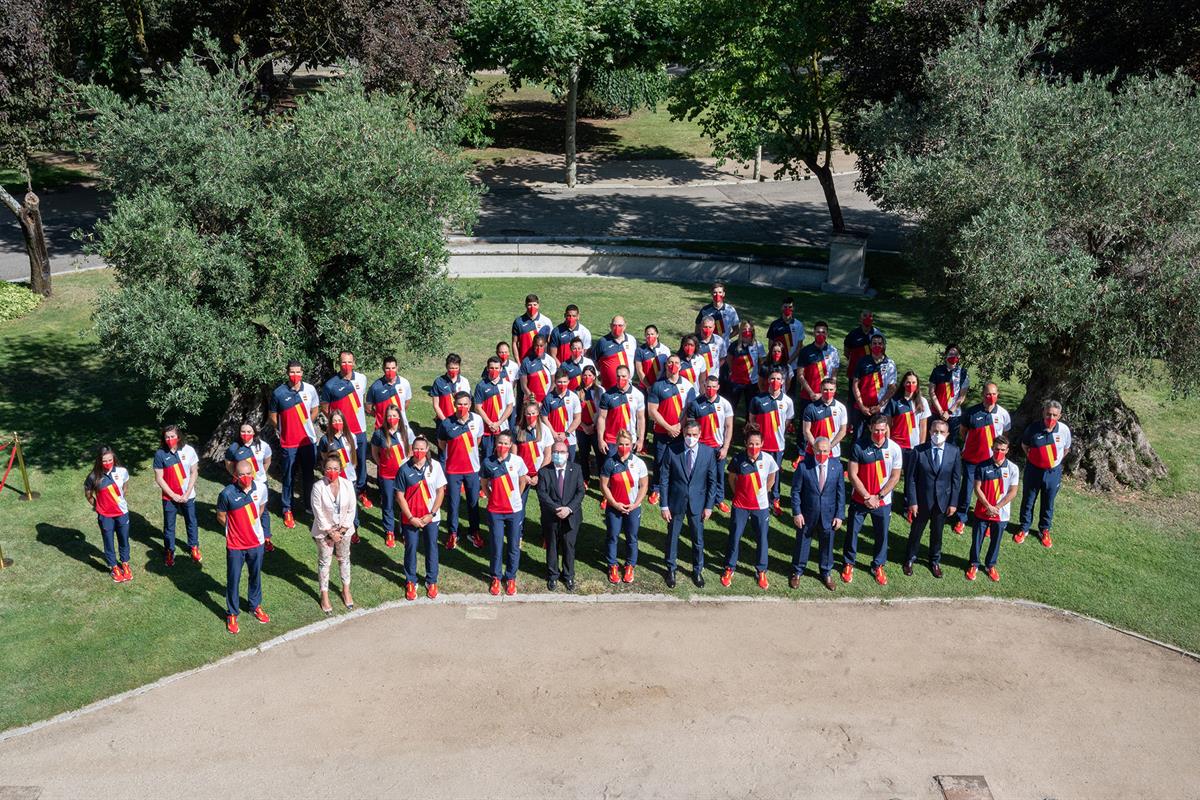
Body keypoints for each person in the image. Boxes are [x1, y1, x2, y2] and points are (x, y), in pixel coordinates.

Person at [844, 414, 904, 586]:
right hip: (859, 499)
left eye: (883, 430)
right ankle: (849, 563)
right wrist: (866, 496)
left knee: (881, 535)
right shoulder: (858, 446)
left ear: (887, 429)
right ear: (870, 428)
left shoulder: (894, 449)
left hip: (882, 502)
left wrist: (878, 496)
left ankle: (877, 565)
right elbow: (853, 474)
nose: (879, 433)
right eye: (876, 430)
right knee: (852, 532)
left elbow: (895, 477)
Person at [658, 419, 718, 588]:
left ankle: (697, 570)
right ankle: (671, 569)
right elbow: (664, 479)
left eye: (694, 435)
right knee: (672, 537)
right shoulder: (672, 450)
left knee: (697, 539)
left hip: (698, 504)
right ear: (683, 434)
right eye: (687, 434)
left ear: (700, 435)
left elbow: (713, 482)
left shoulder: (708, 453)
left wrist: (708, 506)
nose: (690, 438)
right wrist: (664, 505)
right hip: (676, 502)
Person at [720, 425, 779, 590]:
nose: (754, 447)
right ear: (746, 443)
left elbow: (772, 477)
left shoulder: (768, 460)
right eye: (751, 444)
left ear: (762, 443)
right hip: (740, 505)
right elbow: (732, 479)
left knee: (762, 538)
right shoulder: (738, 459)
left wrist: (763, 493)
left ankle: (761, 570)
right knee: (735, 536)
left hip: (760, 507)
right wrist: (738, 494)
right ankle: (729, 568)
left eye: (757, 444)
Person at [216, 460, 271, 634]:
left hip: (256, 542)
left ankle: (255, 606)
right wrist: (234, 530)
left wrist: (250, 525)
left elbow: (261, 508)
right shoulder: (226, 494)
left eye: (248, 474)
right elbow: (220, 515)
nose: (245, 478)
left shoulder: (261, 488)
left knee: (255, 576)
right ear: (235, 475)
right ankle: (232, 613)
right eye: (241, 475)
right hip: (235, 545)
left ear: (253, 473)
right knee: (233, 579)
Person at [902, 418, 961, 578]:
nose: (938, 435)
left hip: (943, 502)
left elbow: (956, 480)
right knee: (916, 531)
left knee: (937, 533)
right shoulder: (918, 451)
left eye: (942, 432)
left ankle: (934, 561)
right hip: (922, 501)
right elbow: (911, 478)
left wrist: (954, 503)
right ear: (929, 432)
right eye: (935, 431)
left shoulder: (954, 452)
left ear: (947, 434)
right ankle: (909, 559)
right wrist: (912, 501)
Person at [395, 435, 448, 600]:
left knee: (432, 548)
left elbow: (441, 492)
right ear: (412, 449)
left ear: (427, 450)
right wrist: (411, 518)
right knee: (410, 548)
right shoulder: (404, 469)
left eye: (422, 449)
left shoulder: (436, 467)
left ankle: (431, 580)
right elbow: (399, 496)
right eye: (416, 449)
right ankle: (411, 580)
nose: (418, 452)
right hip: (410, 519)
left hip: (431, 517)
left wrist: (431, 514)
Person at [955, 383, 1012, 533]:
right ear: (982, 395)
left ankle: (988, 519)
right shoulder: (972, 412)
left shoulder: (1003, 414)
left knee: (989, 492)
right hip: (971, 459)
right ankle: (961, 518)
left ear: (997, 395)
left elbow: (1005, 436)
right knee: (967, 489)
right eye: (988, 394)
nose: (991, 397)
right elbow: (963, 431)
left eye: (994, 394)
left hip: (991, 462)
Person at [789, 436, 844, 591]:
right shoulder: (803, 466)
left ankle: (826, 573)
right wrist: (797, 512)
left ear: (830, 451)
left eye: (825, 451)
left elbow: (841, 494)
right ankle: (797, 572)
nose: (822, 453)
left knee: (827, 545)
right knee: (802, 543)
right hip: (807, 514)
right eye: (819, 450)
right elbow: (795, 492)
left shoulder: (837, 467)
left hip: (828, 515)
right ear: (813, 450)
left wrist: (839, 515)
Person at [268, 360, 319, 529]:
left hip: (307, 441)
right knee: (288, 476)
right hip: (289, 442)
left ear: (302, 373)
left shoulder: (310, 389)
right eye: (292, 372)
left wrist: (306, 424)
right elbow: (273, 416)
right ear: (287, 373)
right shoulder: (278, 393)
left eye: (298, 372)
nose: (295, 375)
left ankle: (309, 505)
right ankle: (287, 508)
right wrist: (283, 430)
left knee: (308, 475)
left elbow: (315, 409)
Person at [480, 431, 530, 596]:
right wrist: (491, 496)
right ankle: (495, 577)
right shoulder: (488, 462)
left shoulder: (517, 461)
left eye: (506, 444)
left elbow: (523, 481)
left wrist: (516, 497)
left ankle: (511, 577)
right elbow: (484, 483)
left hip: (514, 511)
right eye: (499, 443)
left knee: (514, 545)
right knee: (496, 544)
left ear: (511, 445)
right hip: (495, 511)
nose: (502, 446)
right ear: (495, 443)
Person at [1017, 400, 1071, 548]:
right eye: (1048, 414)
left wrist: (1053, 462)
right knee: (1028, 500)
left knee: (1048, 503)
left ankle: (1044, 530)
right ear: (1043, 413)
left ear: (1059, 416)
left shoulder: (1064, 430)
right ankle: (1024, 528)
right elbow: (1025, 445)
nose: (1051, 417)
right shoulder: (1033, 428)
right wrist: (1036, 459)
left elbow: (1066, 449)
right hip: (1033, 470)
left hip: (1053, 472)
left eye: (1054, 415)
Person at [319, 350, 370, 506]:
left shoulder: (362, 379)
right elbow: (324, 407)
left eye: (349, 362)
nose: (346, 365)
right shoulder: (330, 385)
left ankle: (362, 491)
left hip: (359, 430)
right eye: (343, 362)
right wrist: (335, 423)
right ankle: (341, 492)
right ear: (338, 363)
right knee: (341, 462)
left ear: (354, 363)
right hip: (340, 433)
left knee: (361, 462)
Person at [437, 392, 486, 550]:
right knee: (453, 503)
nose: (462, 407)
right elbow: (442, 444)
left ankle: (474, 532)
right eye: (459, 404)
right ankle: (453, 533)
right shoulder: (446, 423)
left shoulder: (477, 420)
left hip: (472, 469)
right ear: (454, 404)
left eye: (465, 404)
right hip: (453, 470)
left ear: (470, 405)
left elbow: (478, 440)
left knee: (473, 502)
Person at [600, 429, 650, 584]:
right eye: (621, 444)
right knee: (612, 536)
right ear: (616, 444)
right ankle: (612, 565)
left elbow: (644, 486)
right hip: (614, 508)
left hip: (633, 508)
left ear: (632, 444)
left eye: (627, 444)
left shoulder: (639, 463)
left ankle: (630, 565)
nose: (624, 447)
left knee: (632, 537)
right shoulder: (609, 463)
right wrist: (614, 503)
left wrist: (635, 504)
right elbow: (604, 486)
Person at [646, 354, 696, 505]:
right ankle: (656, 489)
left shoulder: (688, 386)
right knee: (659, 461)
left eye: (676, 363)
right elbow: (652, 411)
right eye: (670, 362)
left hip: (680, 432)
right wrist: (668, 427)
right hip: (662, 432)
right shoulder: (657, 386)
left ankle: (674, 486)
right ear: (666, 365)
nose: (673, 365)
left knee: (678, 461)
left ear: (680, 366)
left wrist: (679, 426)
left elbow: (689, 409)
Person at [968, 436, 1020, 582]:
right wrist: (988, 506)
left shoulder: (1013, 468)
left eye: (1002, 450)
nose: (999, 452)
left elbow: (1013, 492)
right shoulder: (982, 466)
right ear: (992, 448)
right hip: (982, 511)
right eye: (997, 449)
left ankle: (990, 565)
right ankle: (974, 564)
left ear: (1007, 450)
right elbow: (977, 488)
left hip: (1001, 514)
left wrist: (997, 507)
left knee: (996, 541)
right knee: (977, 540)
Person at [364, 355, 413, 508]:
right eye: (387, 368)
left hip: (402, 429)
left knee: (403, 459)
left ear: (397, 368)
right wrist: (380, 418)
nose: (390, 371)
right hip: (382, 431)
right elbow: (368, 407)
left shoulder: (404, 383)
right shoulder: (376, 387)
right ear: (383, 369)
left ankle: (403, 492)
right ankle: (384, 494)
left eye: (393, 368)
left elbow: (406, 403)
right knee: (383, 460)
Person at [310, 454, 356, 615]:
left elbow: (351, 509)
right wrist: (330, 532)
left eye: (335, 469)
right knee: (325, 562)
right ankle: (324, 595)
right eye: (329, 468)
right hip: (324, 532)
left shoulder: (348, 485)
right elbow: (318, 512)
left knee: (344, 559)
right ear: (323, 469)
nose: (332, 472)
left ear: (341, 470)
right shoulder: (318, 487)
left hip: (344, 531)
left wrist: (342, 530)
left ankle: (346, 590)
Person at [536, 440, 585, 591]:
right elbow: (542, 494)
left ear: (567, 454)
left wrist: (568, 509)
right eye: (556, 452)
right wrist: (557, 508)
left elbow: (580, 492)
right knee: (552, 547)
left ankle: (568, 576)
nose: (558, 455)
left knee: (569, 546)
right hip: (551, 516)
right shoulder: (544, 471)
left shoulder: (576, 469)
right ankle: (553, 576)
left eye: (562, 452)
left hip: (571, 516)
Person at [748, 367, 794, 514]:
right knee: (759, 472)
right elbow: (752, 420)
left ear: (783, 382)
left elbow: (787, 420)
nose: (775, 382)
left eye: (778, 379)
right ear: (768, 380)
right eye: (772, 379)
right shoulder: (757, 399)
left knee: (775, 472)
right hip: (760, 445)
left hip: (778, 445)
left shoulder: (787, 401)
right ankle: (759, 498)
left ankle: (775, 499)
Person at [84, 446, 132, 584]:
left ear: (113, 458)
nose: (107, 463)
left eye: (110, 460)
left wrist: (120, 499)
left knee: (124, 539)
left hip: (122, 513)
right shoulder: (93, 476)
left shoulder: (122, 471)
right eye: (104, 461)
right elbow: (88, 494)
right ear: (99, 461)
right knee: (109, 541)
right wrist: (98, 506)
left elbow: (125, 486)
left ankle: (125, 564)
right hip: (105, 516)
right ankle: (114, 567)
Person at [223, 421, 272, 556]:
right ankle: (246, 530)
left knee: (263, 509)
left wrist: (260, 475)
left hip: (259, 482)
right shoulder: (234, 447)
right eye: (243, 431)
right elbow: (228, 463)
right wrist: (236, 475)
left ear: (254, 432)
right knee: (244, 508)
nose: (246, 434)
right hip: (243, 484)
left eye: (249, 431)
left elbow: (267, 461)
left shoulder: (263, 446)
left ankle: (266, 537)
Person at [153, 425, 199, 567]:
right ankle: (169, 551)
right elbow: (159, 478)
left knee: (191, 521)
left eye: (172, 436)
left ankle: (194, 547)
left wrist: (186, 493)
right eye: (167, 437)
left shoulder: (188, 450)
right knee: (169, 525)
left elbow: (194, 472)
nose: (170, 439)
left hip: (188, 495)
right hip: (169, 497)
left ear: (178, 436)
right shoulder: (160, 454)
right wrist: (173, 495)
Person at [687, 374, 734, 514]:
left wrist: (725, 447)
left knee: (719, 475)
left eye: (714, 387)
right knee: (699, 475)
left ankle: (719, 500)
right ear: (704, 386)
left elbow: (729, 426)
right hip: (700, 447)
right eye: (708, 386)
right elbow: (690, 426)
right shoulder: (695, 404)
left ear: (718, 387)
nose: (711, 389)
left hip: (718, 447)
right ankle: (698, 497)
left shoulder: (725, 404)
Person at [370, 405, 410, 549]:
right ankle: (390, 531)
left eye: (394, 416)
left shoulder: (405, 432)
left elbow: (410, 451)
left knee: (403, 504)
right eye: (389, 416)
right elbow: (374, 452)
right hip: (386, 475)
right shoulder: (379, 433)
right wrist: (381, 464)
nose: (391, 419)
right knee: (388, 504)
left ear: (399, 416)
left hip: (403, 476)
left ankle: (404, 531)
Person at [316, 410, 359, 541]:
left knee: (351, 505)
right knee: (335, 505)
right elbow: (325, 458)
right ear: (330, 423)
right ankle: (334, 530)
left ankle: (353, 529)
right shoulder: (325, 440)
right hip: (334, 479)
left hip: (350, 478)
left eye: (339, 421)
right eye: (334, 421)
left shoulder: (351, 436)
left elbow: (354, 456)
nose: (337, 423)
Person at [888, 371, 931, 489]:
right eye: (908, 382)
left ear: (917, 384)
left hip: (913, 446)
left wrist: (921, 446)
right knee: (891, 475)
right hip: (896, 445)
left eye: (913, 382)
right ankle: (886, 498)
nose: (911, 385)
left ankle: (909, 505)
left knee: (911, 477)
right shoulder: (894, 401)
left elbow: (923, 426)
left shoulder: (922, 402)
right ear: (903, 384)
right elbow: (888, 423)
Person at [596, 365, 647, 462]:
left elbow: (641, 419)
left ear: (629, 377)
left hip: (630, 439)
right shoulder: (607, 395)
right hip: (611, 440)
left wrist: (641, 440)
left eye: (623, 376)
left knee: (628, 471)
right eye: (618, 376)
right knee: (611, 469)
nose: (621, 379)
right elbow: (601, 418)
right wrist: (600, 440)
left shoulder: (638, 395)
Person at [851, 333, 898, 437]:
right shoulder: (862, 361)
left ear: (884, 346)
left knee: (879, 436)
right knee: (857, 437)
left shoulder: (890, 364)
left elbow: (892, 388)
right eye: (874, 343)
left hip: (880, 408)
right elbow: (855, 384)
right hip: (861, 408)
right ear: (870, 346)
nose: (877, 346)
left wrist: (879, 406)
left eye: (880, 344)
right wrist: (861, 405)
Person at [474, 356, 516, 462]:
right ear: (487, 369)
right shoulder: (481, 386)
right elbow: (478, 407)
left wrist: (498, 423)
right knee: (486, 458)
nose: (494, 370)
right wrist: (490, 423)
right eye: (491, 368)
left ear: (501, 369)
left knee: (502, 456)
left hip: (502, 428)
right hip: (486, 430)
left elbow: (510, 407)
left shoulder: (507, 385)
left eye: (497, 368)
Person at [515, 402, 555, 511]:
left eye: (533, 413)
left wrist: (538, 475)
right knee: (519, 503)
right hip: (523, 474)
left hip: (540, 472)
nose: (531, 416)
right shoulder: (518, 430)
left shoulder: (545, 430)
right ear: (524, 414)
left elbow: (547, 455)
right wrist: (524, 475)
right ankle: (518, 527)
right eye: (528, 413)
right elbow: (514, 456)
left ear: (538, 413)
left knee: (546, 504)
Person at [800, 378, 849, 465]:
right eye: (825, 389)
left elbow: (843, 431)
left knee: (831, 478)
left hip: (833, 452)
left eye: (831, 389)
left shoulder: (841, 408)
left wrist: (830, 447)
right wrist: (816, 447)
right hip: (813, 451)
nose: (828, 392)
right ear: (820, 389)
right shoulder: (811, 408)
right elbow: (806, 431)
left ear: (835, 390)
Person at [795, 321, 840, 413]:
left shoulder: (833, 351)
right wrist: (811, 393)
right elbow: (800, 375)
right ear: (813, 333)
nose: (821, 334)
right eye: (818, 332)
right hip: (808, 396)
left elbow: (834, 375)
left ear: (827, 334)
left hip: (828, 395)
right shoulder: (805, 351)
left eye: (823, 332)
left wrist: (828, 392)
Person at [726, 321, 765, 418]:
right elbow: (729, 359)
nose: (746, 332)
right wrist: (734, 371)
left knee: (750, 406)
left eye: (749, 330)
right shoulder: (734, 345)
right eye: (744, 329)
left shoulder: (758, 346)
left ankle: (749, 426)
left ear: (753, 331)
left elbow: (762, 363)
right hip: (737, 381)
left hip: (752, 381)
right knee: (732, 405)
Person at [929, 344, 969, 439]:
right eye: (951, 353)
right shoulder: (937, 370)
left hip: (953, 416)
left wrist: (949, 412)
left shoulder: (963, 373)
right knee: (933, 440)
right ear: (946, 355)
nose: (953, 356)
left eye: (956, 354)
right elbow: (931, 391)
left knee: (951, 443)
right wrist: (941, 411)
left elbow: (962, 396)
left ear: (959, 357)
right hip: (937, 413)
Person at [542, 369, 582, 461]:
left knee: (569, 465)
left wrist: (566, 433)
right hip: (552, 438)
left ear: (568, 382)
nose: (562, 384)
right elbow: (544, 418)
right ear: (555, 382)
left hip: (569, 439)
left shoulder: (574, 397)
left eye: (564, 382)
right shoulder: (548, 398)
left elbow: (578, 418)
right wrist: (554, 434)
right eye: (559, 382)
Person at [575, 366, 604, 485]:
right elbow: (574, 412)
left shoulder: (599, 391)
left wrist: (593, 425)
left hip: (596, 427)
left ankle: (602, 479)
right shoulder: (576, 391)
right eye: (585, 375)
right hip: (581, 428)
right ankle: (585, 478)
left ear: (594, 377)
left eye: (590, 375)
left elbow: (601, 411)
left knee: (599, 454)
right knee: (583, 454)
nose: (587, 378)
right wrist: (584, 426)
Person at [593, 316, 638, 390]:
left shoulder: (631, 340)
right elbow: (594, 360)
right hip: (608, 387)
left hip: (628, 385)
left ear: (625, 326)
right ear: (610, 326)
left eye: (620, 325)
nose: (617, 328)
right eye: (614, 325)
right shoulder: (603, 342)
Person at [767, 297, 805, 379]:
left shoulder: (799, 325)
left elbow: (799, 347)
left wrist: (788, 363)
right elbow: (770, 346)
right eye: (785, 307)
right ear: (781, 308)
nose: (787, 309)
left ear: (793, 308)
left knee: (791, 390)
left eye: (790, 307)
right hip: (777, 365)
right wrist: (777, 361)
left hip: (793, 366)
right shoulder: (774, 325)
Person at [511, 293, 554, 363]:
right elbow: (514, 343)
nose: (532, 307)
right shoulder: (518, 322)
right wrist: (518, 363)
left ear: (538, 305)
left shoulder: (546, 321)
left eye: (534, 305)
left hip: (542, 362)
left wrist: (550, 361)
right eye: (529, 305)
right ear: (525, 305)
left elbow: (550, 343)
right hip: (525, 361)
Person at [843, 310, 882, 385]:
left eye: (870, 316)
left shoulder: (878, 334)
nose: (868, 318)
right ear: (860, 319)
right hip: (855, 372)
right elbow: (846, 352)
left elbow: (882, 352)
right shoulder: (853, 334)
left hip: (873, 371)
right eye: (865, 316)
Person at [518, 334, 559, 406]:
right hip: (531, 402)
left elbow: (553, 383)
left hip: (547, 401)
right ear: (533, 345)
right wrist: (533, 400)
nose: (539, 348)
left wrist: (546, 400)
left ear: (545, 345)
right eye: (536, 345)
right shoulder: (526, 362)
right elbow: (523, 386)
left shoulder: (551, 361)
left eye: (541, 345)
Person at [430, 353, 470, 423]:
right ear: (446, 367)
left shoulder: (464, 381)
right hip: (444, 420)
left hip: (461, 421)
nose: (454, 370)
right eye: (451, 368)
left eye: (456, 368)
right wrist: (445, 422)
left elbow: (469, 402)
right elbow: (436, 405)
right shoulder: (439, 382)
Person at [635, 325, 671, 392]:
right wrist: (648, 386)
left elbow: (669, 369)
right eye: (648, 334)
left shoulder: (665, 349)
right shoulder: (640, 350)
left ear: (657, 335)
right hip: (645, 387)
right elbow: (639, 371)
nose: (650, 336)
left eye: (652, 334)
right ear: (645, 335)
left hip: (661, 387)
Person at [696, 315, 728, 387]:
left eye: (710, 327)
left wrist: (715, 368)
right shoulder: (694, 341)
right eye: (705, 327)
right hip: (697, 378)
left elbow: (723, 357)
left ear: (714, 327)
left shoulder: (719, 341)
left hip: (713, 378)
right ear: (701, 326)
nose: (707, 329)